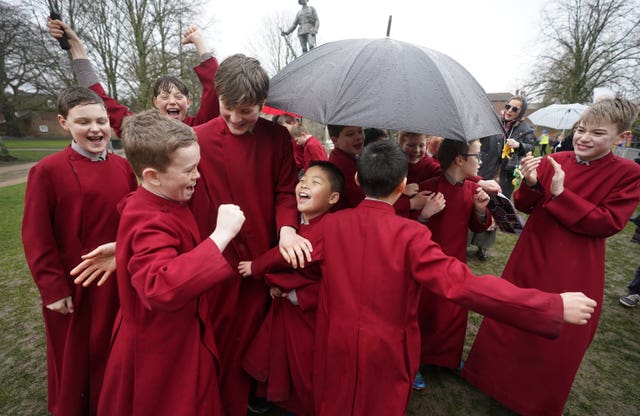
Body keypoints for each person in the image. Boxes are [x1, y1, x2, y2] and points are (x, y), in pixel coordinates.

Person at [305, 140, 595, 415]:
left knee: (335, 399)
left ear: (357, 179)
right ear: (403, 184)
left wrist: (273, 249)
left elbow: (288, 258)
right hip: (389, 346)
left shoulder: (329, 224)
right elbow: (465, 285)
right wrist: (549, 306)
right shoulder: (410, 234)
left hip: (334, 340)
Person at [462, 97, 640, 416]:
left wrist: (560, 194)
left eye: (598, 133)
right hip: (532, 252)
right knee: (513, 315)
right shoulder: (556, 159)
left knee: (556, 332)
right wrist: (531, 183)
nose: (585, 138)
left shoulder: (628, 172)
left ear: (621, 138)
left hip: (575, 265)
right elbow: (525, 204)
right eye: (581, 130)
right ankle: (492, 380)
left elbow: (609, 222)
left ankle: (531, 400)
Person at [98, 109, 245, 415]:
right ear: (152, 175)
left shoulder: (157, 198)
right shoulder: (152, 216)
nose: (198, 176)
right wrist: (220, 237)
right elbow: (158, 285)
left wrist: (125, 249)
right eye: (189, 170)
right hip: (162, 348)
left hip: (174, 336)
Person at [190, 53, 310, 416]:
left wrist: (287, 230)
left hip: (263, 255)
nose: (236, 118)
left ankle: (258, 396)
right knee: (221, 337)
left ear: (262, 104)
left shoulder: (276, 138)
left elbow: (286, 189)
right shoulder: (196, 139)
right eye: (228, 108)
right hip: (215, 258)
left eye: (247, 111)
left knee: (260, 334)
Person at [21, 87, 138, 416]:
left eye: (101, 121)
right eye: (83, 121)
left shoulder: (122, 168)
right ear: (63, 123)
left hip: (116, 282)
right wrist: (53, 290)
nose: (96, 129)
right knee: (74, 362)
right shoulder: (47, 171)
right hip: (73, 287)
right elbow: (36, 235)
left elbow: (132, 221)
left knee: (113, 354)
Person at [239, 161, 344, 416]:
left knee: (302, 361)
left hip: (308, 308)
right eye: (303, 179)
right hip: (289, 302)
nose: (304, 184)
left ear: (333, 198)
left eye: (315, 182)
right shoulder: (301, 222)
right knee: (278, 354)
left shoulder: (325, 229)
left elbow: (284, 254)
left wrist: (255, 267)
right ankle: (274, 397)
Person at [47, 19, 220, 137]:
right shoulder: (142, 131)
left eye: (179, 97)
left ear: (189, 102)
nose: (172, 102)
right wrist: (76, 46)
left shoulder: (200, 127)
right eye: (165, 97)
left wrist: (199, 42)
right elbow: (100, 100)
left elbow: (214, 88)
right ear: (155, 102)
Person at [413, 139, 492, 390]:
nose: (480, 161)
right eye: (476, 156)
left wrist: (480, 210)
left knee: (453, 312)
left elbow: (477, 226)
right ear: (459, 159)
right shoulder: (429, 188)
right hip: (426, 263)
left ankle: (449, 357)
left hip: (456, 261)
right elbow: (407, 226)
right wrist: (424, 213)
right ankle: (416, 362)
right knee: (424, 313)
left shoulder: (470, 190)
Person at [498, 96, 537, 199]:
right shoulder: (498, 122)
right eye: (508, 107)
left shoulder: (526, 129)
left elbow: (531, 147)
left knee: (500, 201)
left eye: (514, 109)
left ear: (521, 112)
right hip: (490, 168)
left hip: (507, 172)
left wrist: (519, 145)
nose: (509, 111)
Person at [327, 124, 366, 211]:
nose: (359, 137)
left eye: (360, 131)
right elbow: (359, 198)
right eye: (350, 134)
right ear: (335, 140)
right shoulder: (342, 164)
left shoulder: (346, 157)